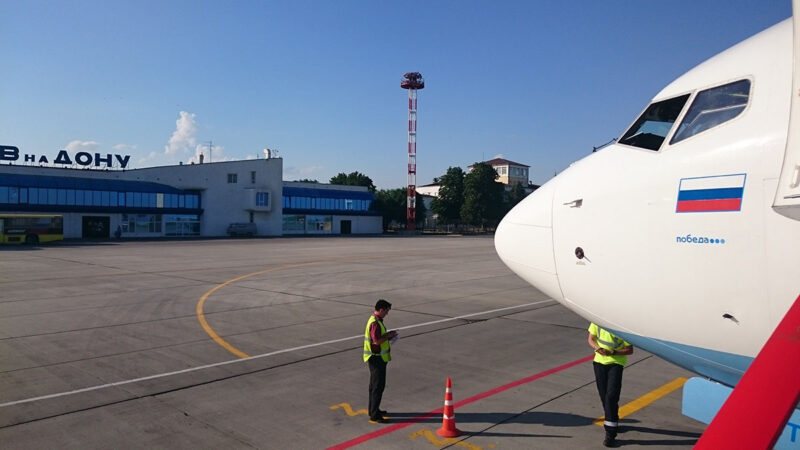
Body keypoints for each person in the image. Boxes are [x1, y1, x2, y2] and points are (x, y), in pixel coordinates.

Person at [588, 323, 633, 448]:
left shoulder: (619, 325)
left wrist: (612, 352)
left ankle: (610, 433)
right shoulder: (596, 322)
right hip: (598, 362)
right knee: (604, 396)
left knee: (611, 396)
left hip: (616, 363)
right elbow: (591, 339)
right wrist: (598, 349)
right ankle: (613, 418)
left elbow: (629, 349)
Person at [363, 299, 398, 423]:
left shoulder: (375, 320)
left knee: (374, 386)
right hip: (377, 358)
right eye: (386, 311)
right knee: (377, 387)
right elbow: (376, 341)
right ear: (381, 309)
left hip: (376, 358)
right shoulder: (375, 323)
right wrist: (389, 335)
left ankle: (373, 409)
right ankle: (374, 415)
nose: (387, 314)